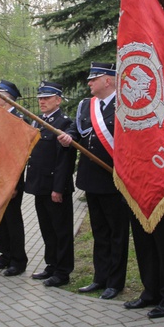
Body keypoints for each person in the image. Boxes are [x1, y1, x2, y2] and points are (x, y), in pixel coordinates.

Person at [58, 62, 129, 300]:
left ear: (108, 80)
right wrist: (70, 137)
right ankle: (100, 277)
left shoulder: (124, 105)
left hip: (114, 179)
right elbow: (79, 132)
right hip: (91, 178)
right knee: (99, 231)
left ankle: (115, 282)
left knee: (117, 233)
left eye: (93, 79)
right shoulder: (86, 105)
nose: (89, 83)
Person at [25, 81, 76, 288]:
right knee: (47, 229)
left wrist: (58, 188)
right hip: (40, 185)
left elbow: (64, 160)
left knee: (61, 231)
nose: (42, 101)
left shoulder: (64, 124)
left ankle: (63, 272)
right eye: (40, 98)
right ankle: (51, 264)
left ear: (58, 100)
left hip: (55, 187)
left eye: (46, 98)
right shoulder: (37, 122)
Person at [0, 79, 28, 276]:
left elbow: (19, 156)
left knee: (12, 219)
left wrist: (14, 183)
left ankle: (18, 260)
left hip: (12, 178)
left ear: (7, 98)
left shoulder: (19, 119)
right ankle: (4, 254)